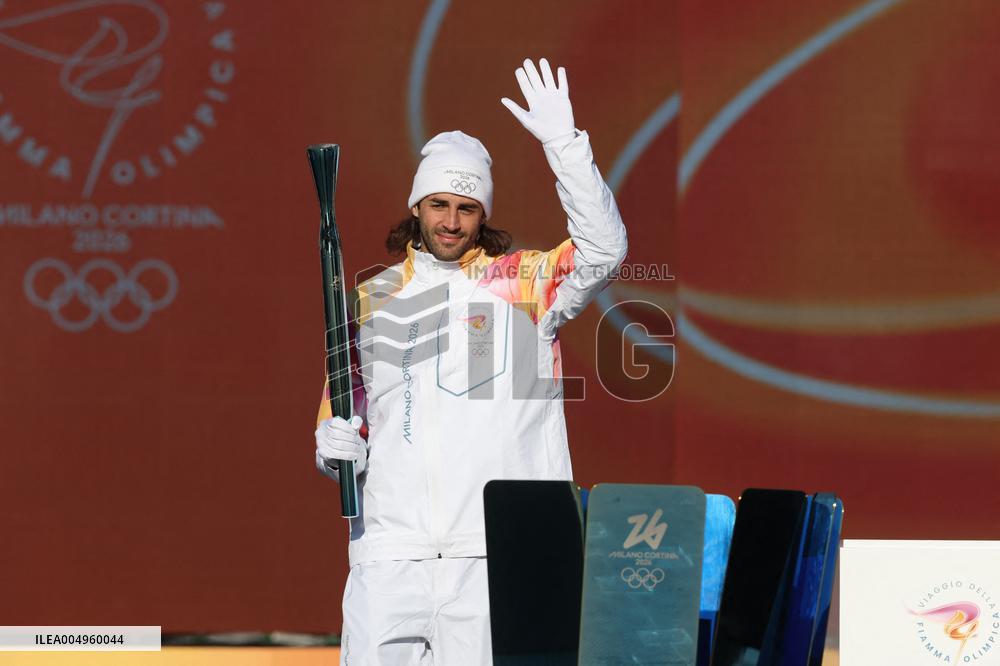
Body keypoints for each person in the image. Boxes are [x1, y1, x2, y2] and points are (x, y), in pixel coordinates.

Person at [314, 58, 627, 665]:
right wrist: (332, 449)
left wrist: (564, 147)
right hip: (388, 555)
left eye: (466, 207)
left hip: (491, 554)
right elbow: (340, 413)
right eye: (437, 204)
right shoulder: (372, 299)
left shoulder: (525, 284)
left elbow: (604, 247)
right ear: (417, 207)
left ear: (483, 214)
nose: (450, 221)